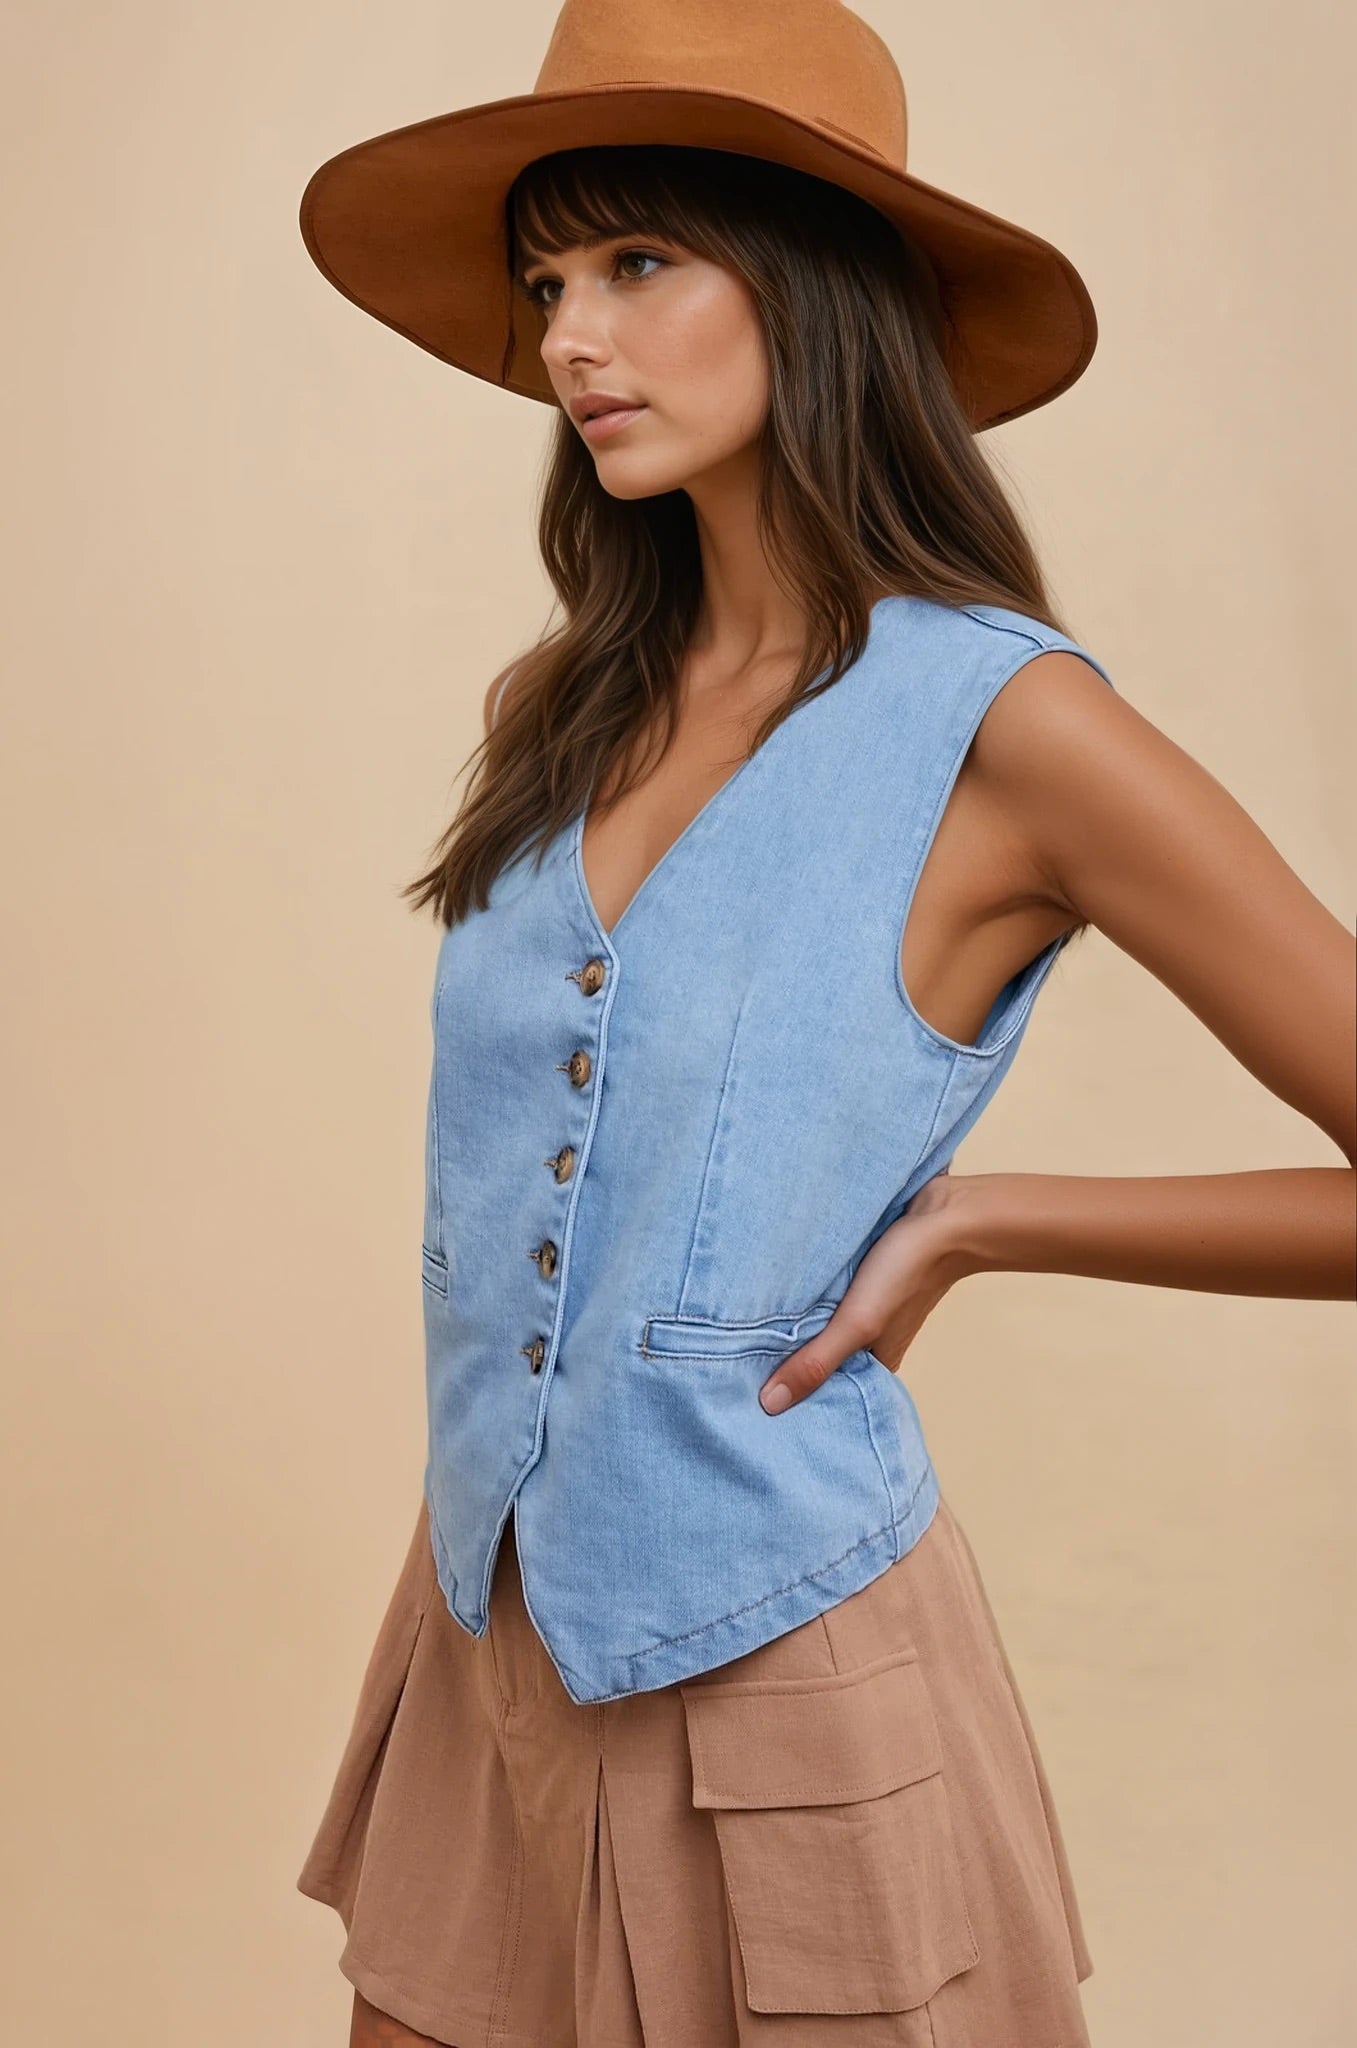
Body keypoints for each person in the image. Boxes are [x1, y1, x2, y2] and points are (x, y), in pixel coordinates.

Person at [292, 5, 1356, 2044]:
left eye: (635, 265)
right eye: (543, 283)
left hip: (781, 1678)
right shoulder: (568, 706)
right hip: (484, 1639)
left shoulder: (1011, 730)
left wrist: (982, 1215)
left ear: (817, 282)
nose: (567, 343)